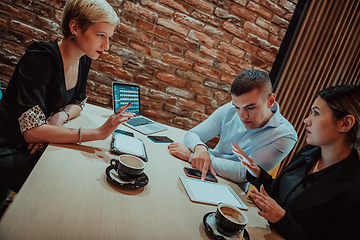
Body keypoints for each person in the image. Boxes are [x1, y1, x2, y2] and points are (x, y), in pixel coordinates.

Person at [0, 0, 136, 193]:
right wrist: (98, 133)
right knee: (68, 183)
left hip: (40, 145)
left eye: (109, 37)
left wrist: (61, 116)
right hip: (10, 145)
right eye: (100, 35)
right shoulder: (40, 58)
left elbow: (79, 101)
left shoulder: (84, 59)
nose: (106, 46)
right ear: (75, 28)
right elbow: (32, 131)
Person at [233, 84, 360, 239]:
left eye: (316, 113)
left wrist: (283, 219)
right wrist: (258, 173)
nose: (306, 120)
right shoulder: (308, 152)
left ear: (345, 124)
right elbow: (279, 194)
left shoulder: (354, 189)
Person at [168, 69, 298, 190]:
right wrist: (200, 148)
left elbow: (244, 173)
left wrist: (192, 156)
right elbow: (193, 134)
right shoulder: (230, 108)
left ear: (270, 101)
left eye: (250, 108)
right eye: (237, 107)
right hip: (202, 172)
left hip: (231, 189)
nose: (242, 116)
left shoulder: (285, 135)